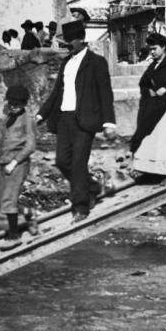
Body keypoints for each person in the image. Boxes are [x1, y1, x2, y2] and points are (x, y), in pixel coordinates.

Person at [36, 19, 116, 222]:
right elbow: (56, 93)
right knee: (63, 161)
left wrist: (109, 121)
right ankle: (91, 186)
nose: (67, 46)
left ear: (81, 40)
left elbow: (105, 93)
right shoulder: (67, 63)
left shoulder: (96, 62)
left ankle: (81, 207)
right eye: (65, 42)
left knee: (79, 163)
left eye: (70, 42)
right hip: (65, 119)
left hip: (85, 120)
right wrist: (40, 114)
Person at [129, 32, 166, 178]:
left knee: (165, 140)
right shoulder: (153, 66)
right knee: (151, 138)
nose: (152, 52)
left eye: (155, 48)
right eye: (150, 49)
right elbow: (143, 83)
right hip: (154, 108)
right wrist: (149, 91)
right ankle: (149, 170)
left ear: (163, 48)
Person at [0, 85, 38, 251]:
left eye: (18, 104)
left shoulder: (27, 119)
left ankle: (14, 236)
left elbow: (30, 146)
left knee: (8, 200)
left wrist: (14, 162)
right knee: (2, 200)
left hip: (18, 164)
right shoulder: (6, 119)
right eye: (11, 103)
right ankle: (29, 213)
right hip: (4, 162)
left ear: (24, 104)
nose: (14, 106)